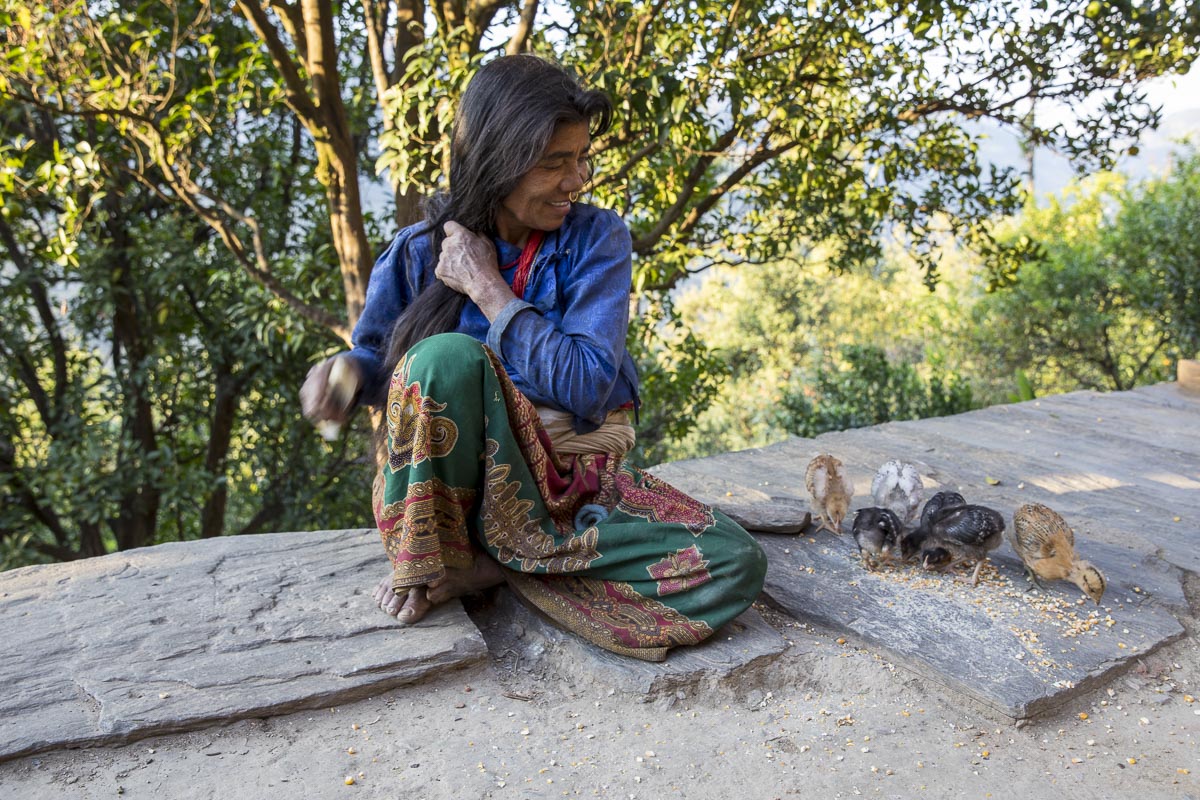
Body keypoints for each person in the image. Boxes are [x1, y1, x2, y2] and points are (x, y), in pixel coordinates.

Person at [301, 54, 766, 661]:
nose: (577, 180)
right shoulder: (418, 251)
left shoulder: (597, 240)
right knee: (446, 357)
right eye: (555, 163)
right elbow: (379, 360)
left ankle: (493, 570)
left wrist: (490, 291)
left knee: (734, 561)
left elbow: (586, 386)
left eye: (581, 158)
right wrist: (343, 377)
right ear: (499, 164)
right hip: (447, 504)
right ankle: (456, 553)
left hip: (565, 492)